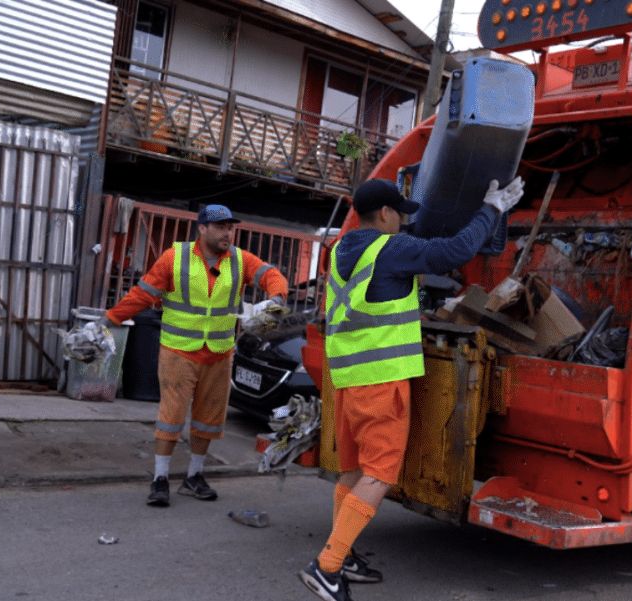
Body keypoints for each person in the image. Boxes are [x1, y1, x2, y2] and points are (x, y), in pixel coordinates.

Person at [298, 176, 524, 601]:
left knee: (352, 470)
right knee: (380, 475)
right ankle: (326, 566)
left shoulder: (343, 250)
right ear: (384, 214)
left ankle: (341, 555)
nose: (403, 221)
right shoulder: (391, 249)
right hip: (380, 381)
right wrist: (491, 209)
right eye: (400, 213)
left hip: (346, 379)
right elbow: (455, 252)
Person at [95, 204, 288, 506]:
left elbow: (271, 274)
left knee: (209, 420)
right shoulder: (175, 258)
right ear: (202, 229)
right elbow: (142, 295)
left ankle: (194, 476)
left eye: (230, 227)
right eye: (221, 227)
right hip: (178, 353)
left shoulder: (239, 260)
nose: (228, 233)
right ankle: (160, 479)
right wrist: (108, 321)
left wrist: (276, 299)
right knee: (171, 417)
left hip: (219, 354)